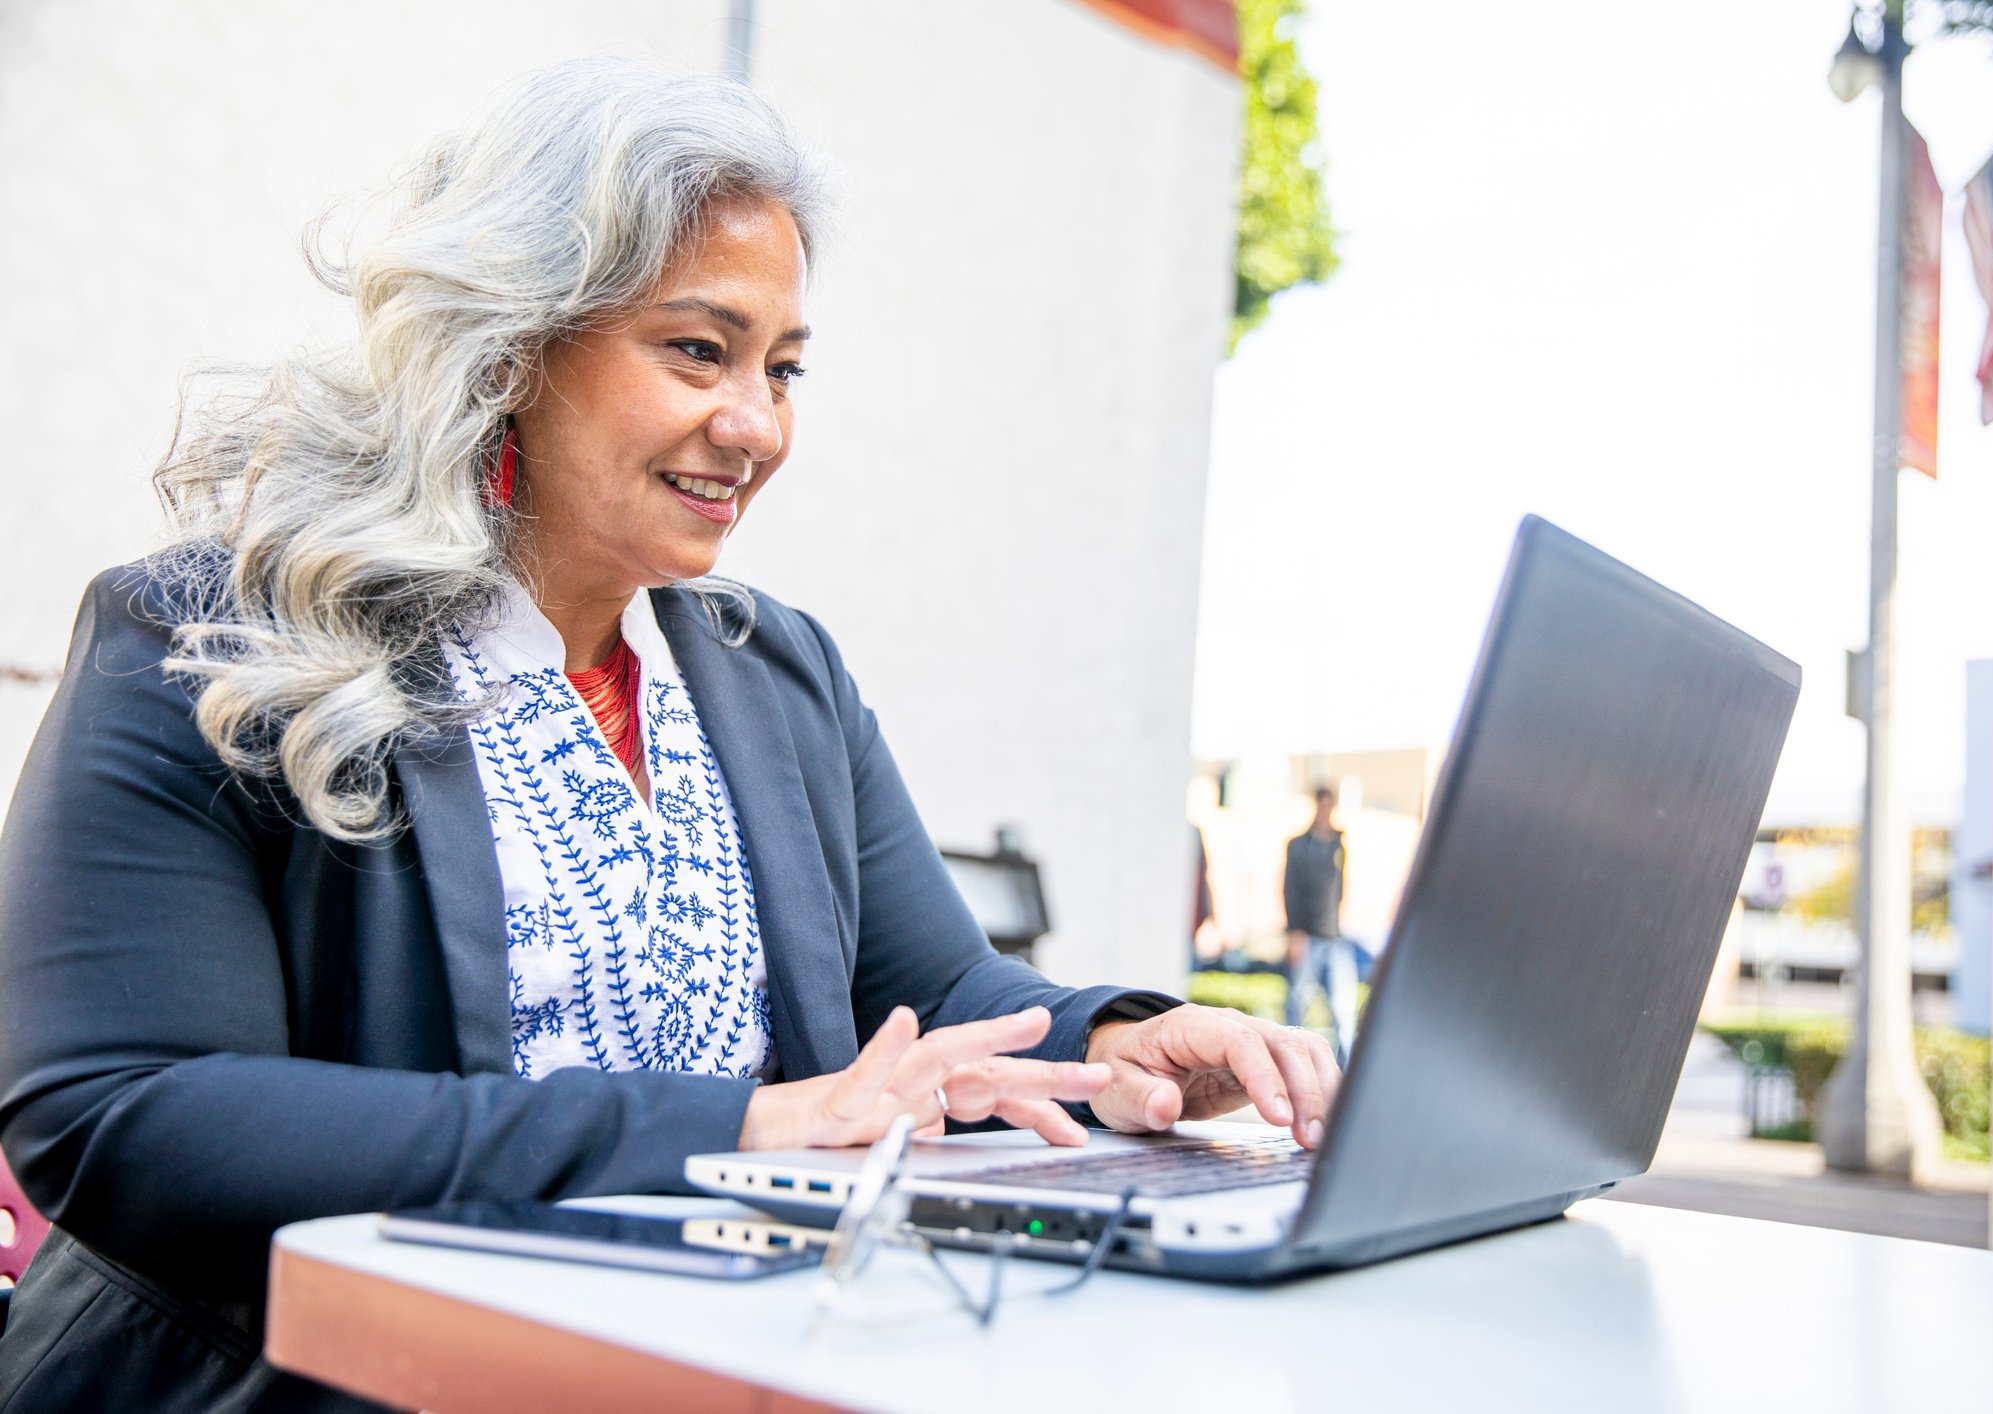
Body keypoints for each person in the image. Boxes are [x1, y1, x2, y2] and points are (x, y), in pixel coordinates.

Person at [0, 60, 1341, 1412]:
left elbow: (929, 995)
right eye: (698, 350)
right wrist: (745, 1131)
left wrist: (1114, 1038)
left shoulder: (779, 673)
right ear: (513, 346)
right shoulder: (209, 639)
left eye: (785, 368)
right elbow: (129, 1116)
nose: (756, 425)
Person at [1283, 786, 1358, 1056]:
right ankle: (1290, 1062)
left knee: (1343, 1011)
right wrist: (1295, 932)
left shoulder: (1339, 843)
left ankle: (1344, 1075)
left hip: (1334, 938)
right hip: (1307, 937)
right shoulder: (1300, 845)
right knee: (1297, 1007)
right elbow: (1290, 888)